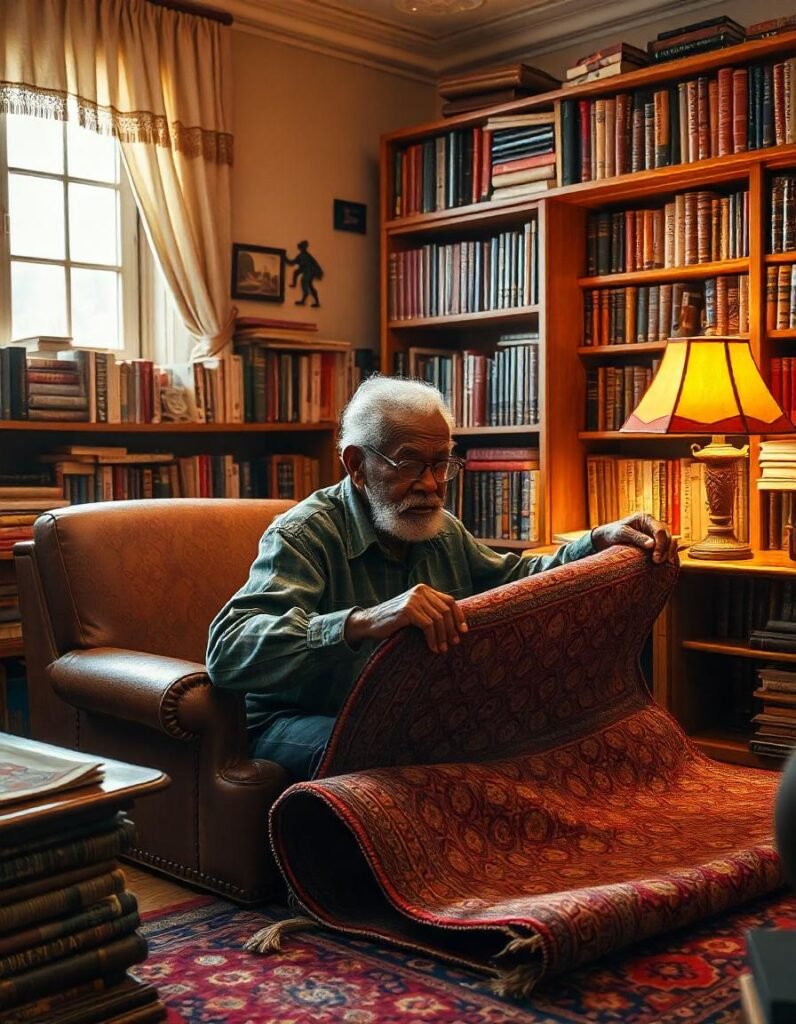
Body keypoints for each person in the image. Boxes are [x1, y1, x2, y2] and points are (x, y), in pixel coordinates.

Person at [206, 376, 676, 781]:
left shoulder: (438, 529)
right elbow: (227, 650)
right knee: (406, 755)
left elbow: (514, 582)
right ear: (356, 464)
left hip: (402, 717)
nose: (431, 484)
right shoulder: (304, 534)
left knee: (517, 738)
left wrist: (597, 541)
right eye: (410, 463)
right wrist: (363, 621)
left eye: (442, 464)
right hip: (293, 719)